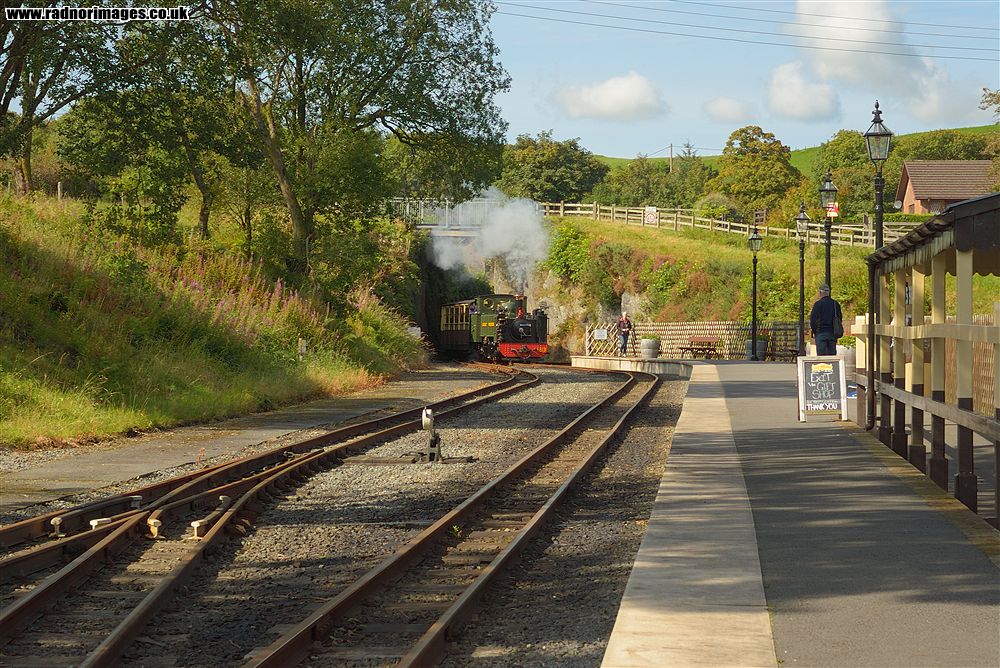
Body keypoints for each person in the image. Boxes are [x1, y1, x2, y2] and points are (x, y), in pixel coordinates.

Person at [809, 283, 843, 356]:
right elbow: (839, 318)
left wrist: (815, 331)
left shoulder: (818, 304)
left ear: (820, 292)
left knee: (822, 357)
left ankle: (822, 367)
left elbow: (813, 320)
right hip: (832, 333)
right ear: (828, 292)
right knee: (832, 356)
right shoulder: (835, 304)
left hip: (820, 333)